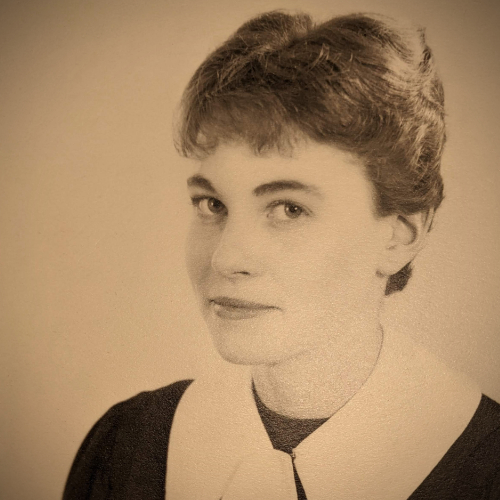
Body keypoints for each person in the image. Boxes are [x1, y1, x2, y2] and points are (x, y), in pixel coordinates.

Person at [63, 10, 500, 500]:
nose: (226, 259)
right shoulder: (129, 447)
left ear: (399, 236)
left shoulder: (486, 470)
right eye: (212, 205)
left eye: (290, 208)